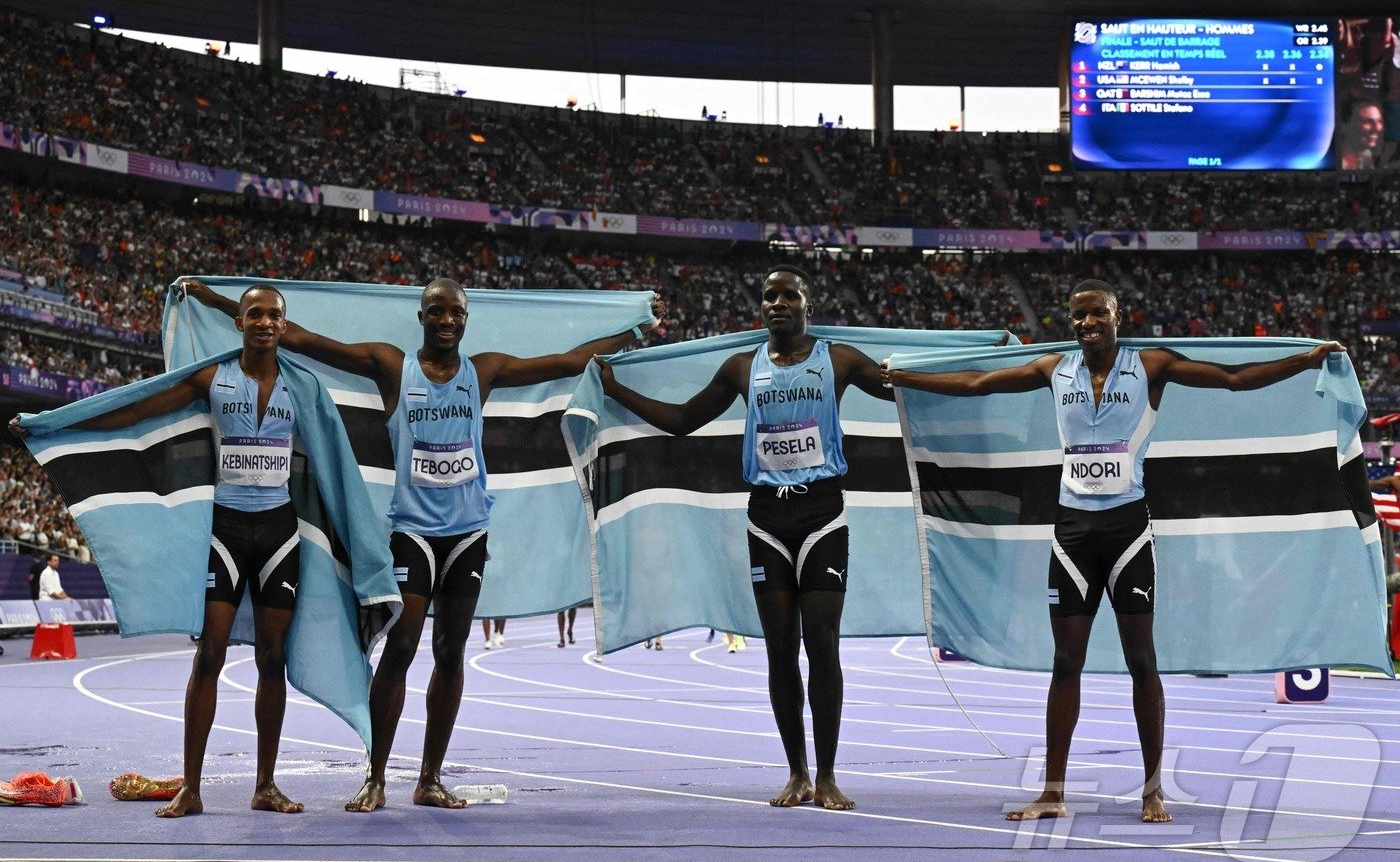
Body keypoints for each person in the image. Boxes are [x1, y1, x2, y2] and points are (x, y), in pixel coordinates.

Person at [185, 277, 662, 812]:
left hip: (468, 532)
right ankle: (376, 776)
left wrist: (632, 330)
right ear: (421, 317)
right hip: (412, 532)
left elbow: (569, 360)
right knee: (403, 648)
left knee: (451, 651)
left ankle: (430, 777)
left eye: (454, 312)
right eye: (436, 311)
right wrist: (212, 300)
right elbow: (298, 337)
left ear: (465, 317)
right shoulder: (393, 367)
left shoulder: (485, 370)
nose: (446, 320)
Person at [883, 279, 1344, 824]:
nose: (1086, 323)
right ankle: (1052, 790)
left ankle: (1153, 790)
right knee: (1066, 663)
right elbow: (980, 381)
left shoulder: (1150, 366)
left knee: (1141, 661)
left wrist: (1306, 358)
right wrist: (905, 379)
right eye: (1077, 316)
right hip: (1073, 532)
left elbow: (1234, 377)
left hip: (1128, 530)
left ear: (1116, 314)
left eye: (1096, 313)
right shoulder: (1053, 369)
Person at [596, 264, 892, 810]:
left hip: (823, 516)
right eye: (768, 296)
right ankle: (797, 774)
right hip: (765, 521)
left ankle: (827, 776)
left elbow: (900, 389)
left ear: (809, 303)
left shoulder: (840, 359)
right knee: (780, 650)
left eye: (788, 295)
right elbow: (684, 420)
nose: (776, 304)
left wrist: (971, 364)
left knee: (821, 645)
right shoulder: (741, 368)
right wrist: (616, 391)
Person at [15, 285, 305, 818]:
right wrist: (56, 424)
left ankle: (266, 784)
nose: (265, 323)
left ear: (285, 326)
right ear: (239, 323)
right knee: (210, 655)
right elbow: (135, 412)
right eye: (254, 314)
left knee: (273, 658)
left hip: (281, 535)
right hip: (229, 532)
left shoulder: (302, 384)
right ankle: (190, 787)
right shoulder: (213, 379)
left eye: (274, 316)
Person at [1339, 99, 1384, 170]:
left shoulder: (1366, 153)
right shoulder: (1337, 164)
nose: (1377, 128)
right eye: (1368, 122)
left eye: (1379, 121)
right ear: (1346, 126)